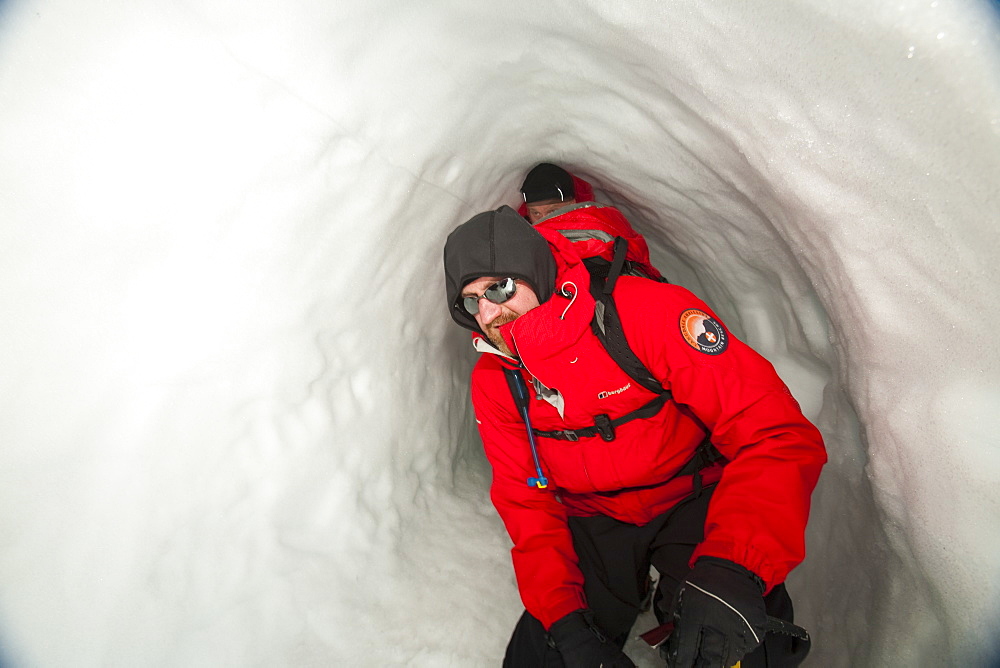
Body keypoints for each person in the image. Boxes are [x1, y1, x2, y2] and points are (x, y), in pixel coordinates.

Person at [443, 205, 827, 668]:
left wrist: (733, 566)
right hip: (593, 517)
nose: (487, 311)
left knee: (735, 643)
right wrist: (565, 623)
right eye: (470, 300)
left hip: (689, 497)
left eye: (498, 287)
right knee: (547, 658)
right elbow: (527, 501)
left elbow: (773, 432)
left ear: (535, 272)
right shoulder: (496, 379)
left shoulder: (645, 313)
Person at [517, 162, 595, 223]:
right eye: (536, 213)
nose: (544, 220)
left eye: (552, 211)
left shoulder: (594, 235)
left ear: (572, 205)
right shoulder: (519, 237)